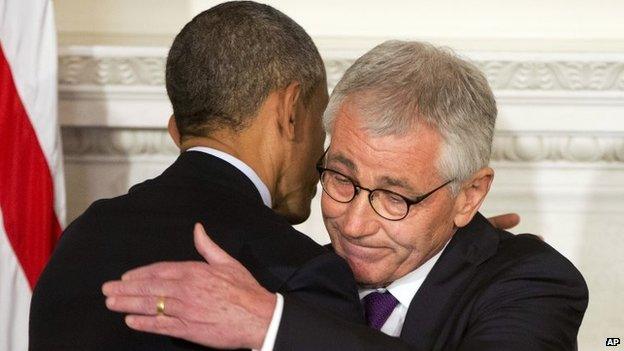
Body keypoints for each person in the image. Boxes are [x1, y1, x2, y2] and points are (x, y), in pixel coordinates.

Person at [103, 41, 588, 350]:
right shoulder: (285, 271)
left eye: (396, 198)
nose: (354, 224)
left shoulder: (536, 283)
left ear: (469, 195)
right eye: (341, 180)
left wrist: (273, 326)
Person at [29, 2, 367, 350]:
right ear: (291, 111)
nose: (321, 151)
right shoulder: (304, 273)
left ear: (177, 131)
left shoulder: (78, 242)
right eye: (320, 121)